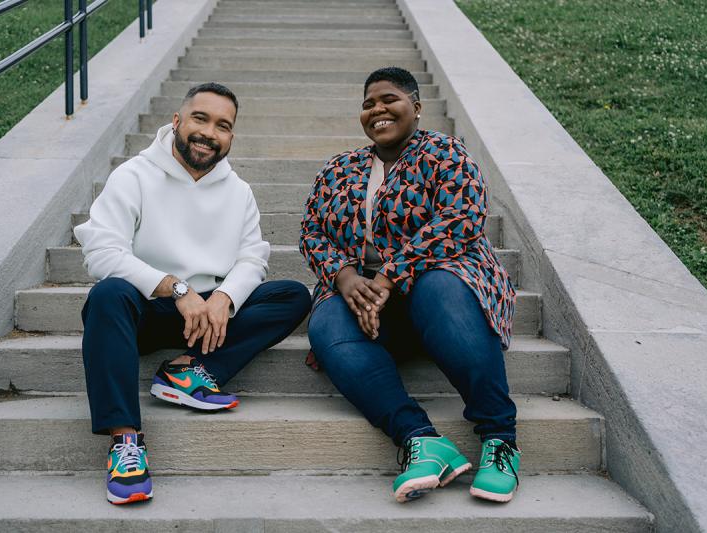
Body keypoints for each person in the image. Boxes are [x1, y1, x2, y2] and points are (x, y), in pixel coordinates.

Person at [74, 82, 311, 505]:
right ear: (178, 121)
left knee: (292, 295)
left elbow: (253, 257)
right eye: (200, 119)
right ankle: (126, 443)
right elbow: (102, 251)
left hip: (209, 320)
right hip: (146, 309)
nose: (209, 132)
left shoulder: (238, 192)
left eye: (223, 125)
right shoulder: (134, 175)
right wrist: (174, 287)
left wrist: (225, 298)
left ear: (231, 138)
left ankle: (190, 370)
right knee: (107, 295)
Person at [300, 67, 519, 503]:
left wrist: (389, 275)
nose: (377, 109)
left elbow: (461, 219)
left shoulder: (445, 153)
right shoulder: (340, 168)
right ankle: (421, 439)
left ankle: (499, 438)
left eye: (389, 99)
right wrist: (346, 278)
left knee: (438, 288)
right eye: (368, 104)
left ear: (416, 108)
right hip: (365, 299)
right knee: (326, 325)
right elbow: (311, 231)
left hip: (444, 292)